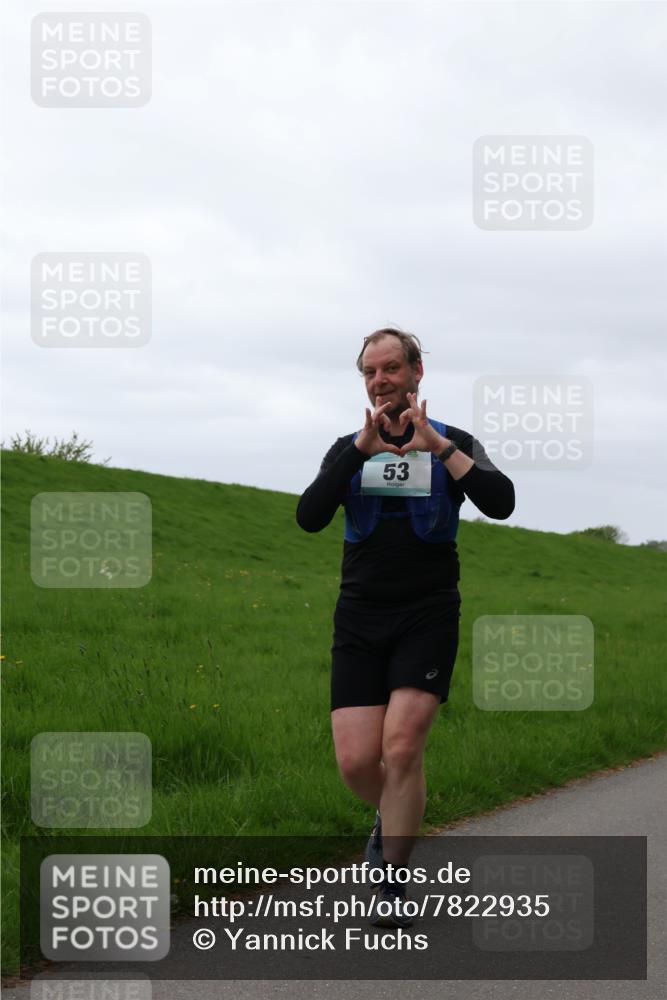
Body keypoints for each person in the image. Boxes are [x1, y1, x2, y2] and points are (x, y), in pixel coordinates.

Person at [296, 328, 515, 927]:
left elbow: (501, 501)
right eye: (370, 372)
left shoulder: (456, 442)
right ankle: (394, 815)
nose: (380, 380)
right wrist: (358, 451)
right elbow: (309, 516)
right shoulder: (348, 447)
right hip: (360, 618)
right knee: (357, 763)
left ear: (418, 372)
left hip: (428, 614)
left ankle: (391, 880)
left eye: (391, 368)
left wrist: (438, 446)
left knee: (401, 747)